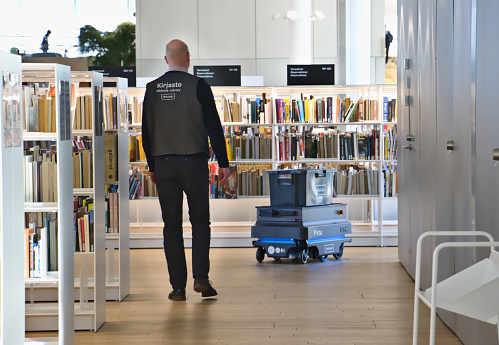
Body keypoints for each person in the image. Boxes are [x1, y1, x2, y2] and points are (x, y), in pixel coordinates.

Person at [141, 39, 229, 301]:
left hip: (165, 164)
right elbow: (214, 126)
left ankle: (177, 288)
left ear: (166, 59)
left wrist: (152, 166)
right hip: (194, 163)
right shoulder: (199, 86)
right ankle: (201, 278)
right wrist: (223, 162)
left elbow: (147, 132)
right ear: (188, 57)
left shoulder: (152, 88)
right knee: (200, 221)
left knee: (171, 226)